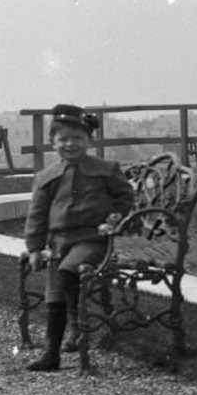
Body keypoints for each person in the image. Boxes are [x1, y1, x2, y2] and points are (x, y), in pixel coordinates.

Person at [22, 104, 134, 371]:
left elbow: (125, 198)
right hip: (59, 243)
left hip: (93, 240)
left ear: (90, 140)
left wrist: (114, 219)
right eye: (63, 139)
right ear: (52, 142)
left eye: (77, 138)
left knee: (68, 271)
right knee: (54, 295)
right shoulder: (46, 177)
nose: (70, 144)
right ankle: (52, 354)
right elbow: (36, 215)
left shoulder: (106, 169)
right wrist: (35, 248)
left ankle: (76, 327)